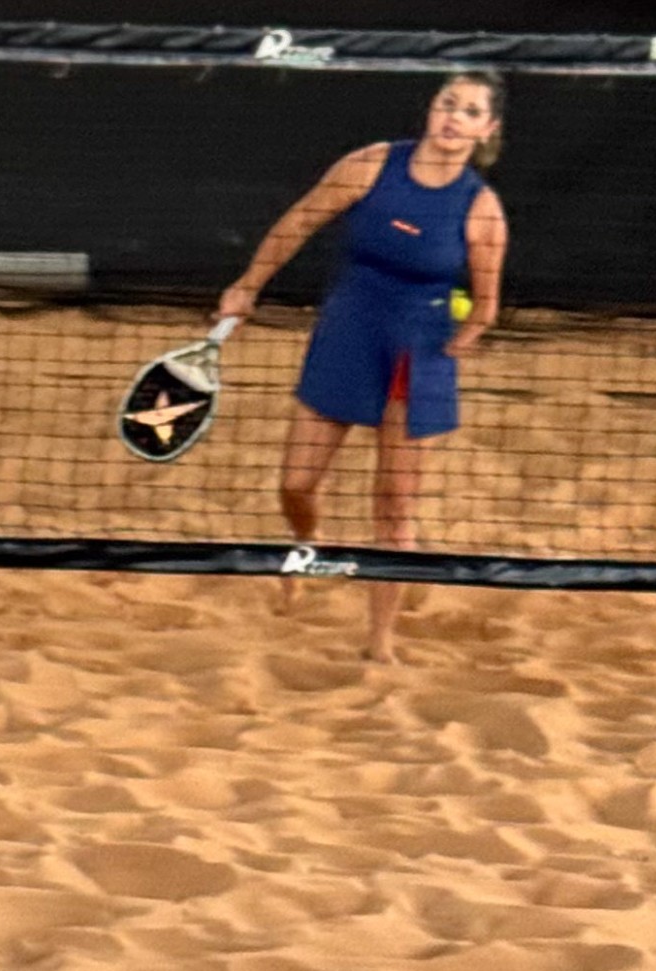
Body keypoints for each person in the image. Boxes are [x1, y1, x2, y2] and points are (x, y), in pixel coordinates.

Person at [217, 70, 511, 663]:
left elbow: (485, 306)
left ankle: (379, 643)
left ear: (487, 130)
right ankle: (306, 544)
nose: (454, 118)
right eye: (447, 103)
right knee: (296, 483)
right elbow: (300, 220)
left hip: (417, 352)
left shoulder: (481, 209)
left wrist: (461, 340)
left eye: (470, 111)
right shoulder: (372, 164)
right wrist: (247, 286)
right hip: (349, 331)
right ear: (431, 109)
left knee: (394, 509)